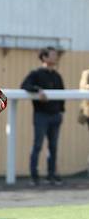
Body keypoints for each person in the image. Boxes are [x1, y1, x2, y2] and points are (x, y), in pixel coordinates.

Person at [21, 46, 65, 186]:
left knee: (53, 147)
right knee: (38, 145)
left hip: (55, 116)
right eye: (52, 55)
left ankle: (51, 176)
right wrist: (37, 90)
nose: (55, 57)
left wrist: (61, 111)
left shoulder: (57, 76)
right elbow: (24, 85)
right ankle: (34, 177)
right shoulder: (36, 74)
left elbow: (62, 94)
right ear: (44, 58)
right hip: (41, 115)